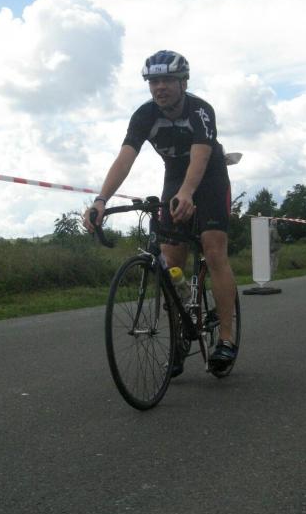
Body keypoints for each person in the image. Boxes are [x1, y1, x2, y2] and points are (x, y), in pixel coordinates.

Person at [85, 49, 238, 377]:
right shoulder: (144, 115)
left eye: (167, 80)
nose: (160, 87)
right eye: (153, 82)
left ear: (184, 83)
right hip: (174, 178)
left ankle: (226, 338)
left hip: (209, 178)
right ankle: (179, 334)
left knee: (213, 250)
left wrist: (188, 193)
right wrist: (101, 200)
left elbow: (199, 158)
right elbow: (125, 158)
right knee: (170, 262)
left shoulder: (200, 110)